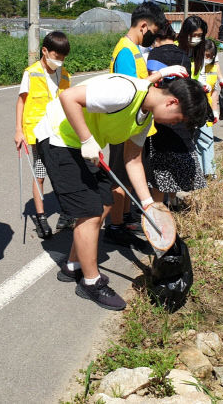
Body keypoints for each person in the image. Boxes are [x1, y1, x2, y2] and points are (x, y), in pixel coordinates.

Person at [34, 68, 206, 310]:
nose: (174, 124)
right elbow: (68, 97)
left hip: (81, 145)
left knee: (105, 202)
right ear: (171, 102)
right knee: (90, 212)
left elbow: (133, 158)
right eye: (178, 119)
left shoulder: (145, 116)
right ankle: (91, 283)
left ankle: (72, 265)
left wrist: (147, 204)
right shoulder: (125, 91)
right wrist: (86, 139)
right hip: (58, 138)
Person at [106, 1, 168, 249]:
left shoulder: (132, 50)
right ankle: (115, 226)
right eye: (154, 30)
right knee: (120, 178)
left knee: (127, 175)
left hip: (132, 127)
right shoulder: (126, 52)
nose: (154, 37)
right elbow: (131, 92)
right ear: (144, 26)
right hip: (124, 127)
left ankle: (123, 218)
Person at [14, 31, 73, 239]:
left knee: (64, 173)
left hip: (61, 132)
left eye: (63, 59)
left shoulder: (64, 74)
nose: (59, 62)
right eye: (57, 57)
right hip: (39, 134)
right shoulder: (31, 73)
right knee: (40, 174)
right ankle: (40, 218)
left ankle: (67, 213)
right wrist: (19, 130)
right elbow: (21, 101)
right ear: (45, 51)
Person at [145, 28, 207, 206]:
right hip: (181, 112)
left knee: (160, 167)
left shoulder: (153, 54)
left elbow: (151, 82)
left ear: (157, 38)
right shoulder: (184, 56)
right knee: (175, 158)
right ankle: (172, 200)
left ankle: (158, 206)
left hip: (161, 113)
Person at [191, 39, 223, 178]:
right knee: (200, 141)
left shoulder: (213, 68)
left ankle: (208, 172)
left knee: (205, 140)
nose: (208, 59)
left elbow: (213, 92)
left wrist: (216, 111)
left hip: (207, 110)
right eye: (206, 55)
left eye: (211, 56)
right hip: (195, 109)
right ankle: (205, 172)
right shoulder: (193, 66)